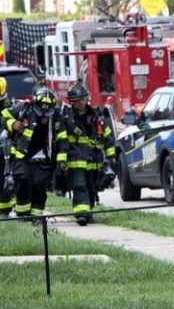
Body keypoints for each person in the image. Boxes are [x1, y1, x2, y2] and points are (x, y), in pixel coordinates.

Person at [1, 87, 68, 223]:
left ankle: (37, 216)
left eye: (47, 112)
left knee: (40, 184)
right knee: (23, 180)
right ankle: (22, 215)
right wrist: (12, 124)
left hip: (44, 156)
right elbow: (2, 117)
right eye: (41, 111)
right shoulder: (23, 108)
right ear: (35, 104)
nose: (44, 115)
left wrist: (61, 160)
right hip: (21, 154)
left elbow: (62, 138)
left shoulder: (56, 117)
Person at [62, 82, 116, 226]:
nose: (80, 102)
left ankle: (88, 211)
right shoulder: (67, 117)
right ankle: (81, 214)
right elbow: (60, 138)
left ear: (86, 98)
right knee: (79, 184)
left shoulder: (96, 115)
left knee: (91, 186)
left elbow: (107, 135)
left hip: (94, 159)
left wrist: (111, 156)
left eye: (82, 99)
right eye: (76, 100)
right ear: (72, 102)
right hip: (75, 158)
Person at [0, 78, 15, 217]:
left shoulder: (7, 104)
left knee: (6, 175)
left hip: (5, 145)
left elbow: (9, 119)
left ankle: (5, 209)